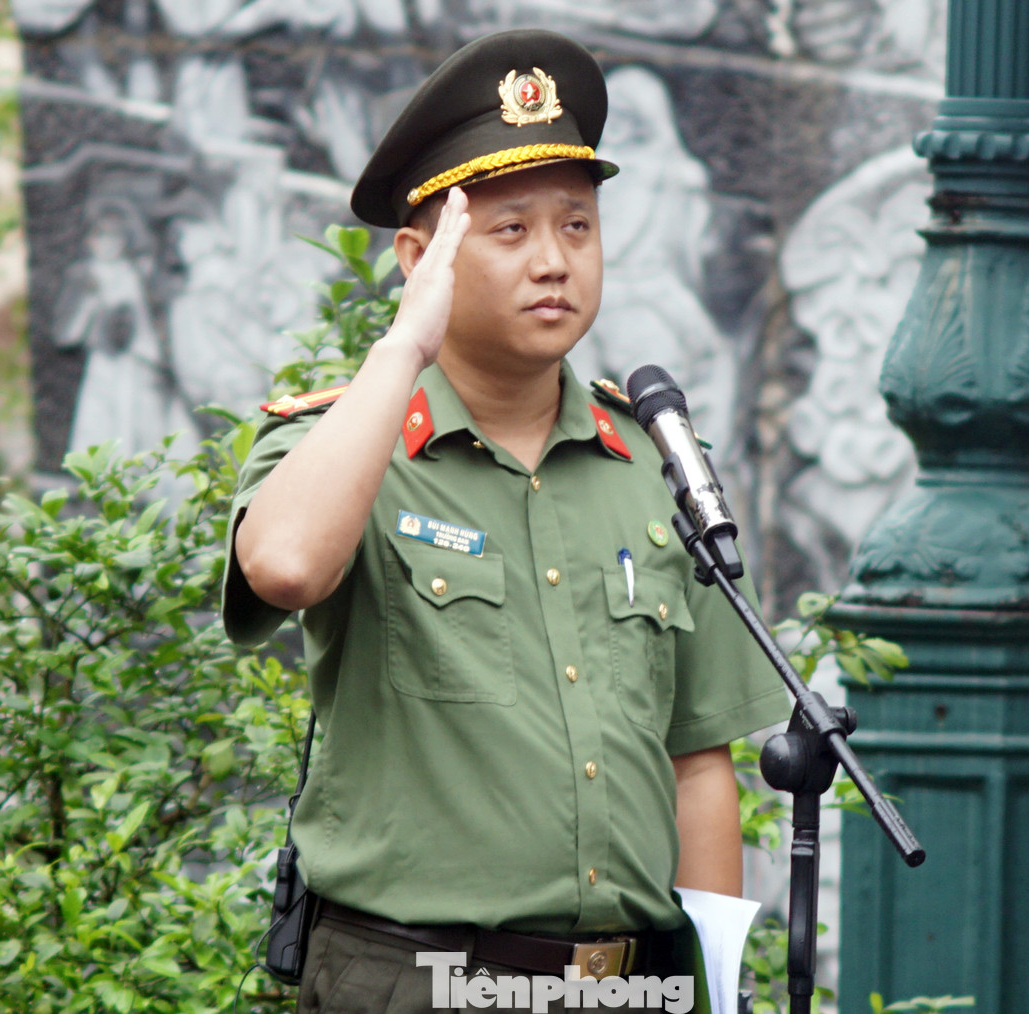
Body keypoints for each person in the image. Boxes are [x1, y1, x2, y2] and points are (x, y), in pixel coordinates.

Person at [221, 29, 790, 1014]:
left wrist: (720, 993)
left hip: (633, 989)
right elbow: (284, 567)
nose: (553, 262)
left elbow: (697, 762)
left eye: (577, 226)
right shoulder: (348, 448)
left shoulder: (649, 463)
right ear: (420, 258)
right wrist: (408, 341)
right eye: (509, 231)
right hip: (417, 980)